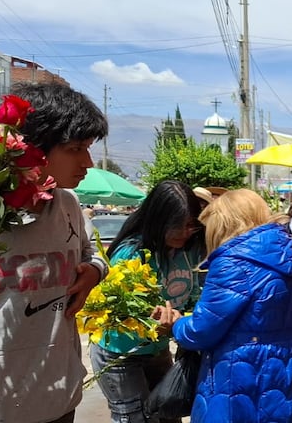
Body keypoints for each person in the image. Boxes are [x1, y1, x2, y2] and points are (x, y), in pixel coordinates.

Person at [0, 82, 109, 422]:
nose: (87, 161)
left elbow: (94, 254)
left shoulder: (68, 204)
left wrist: (94, 272)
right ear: (30, 149)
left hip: (59, 397)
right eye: (75, 148)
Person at [170, 189, 292, 422]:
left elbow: (201, 330)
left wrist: (176, 324)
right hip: (284, 366)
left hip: (239, 372)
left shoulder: (234, 262)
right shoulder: (284, 254)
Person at [89, 180, 206, 423]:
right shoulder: (132, 252)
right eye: (177, 226)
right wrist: (154, 316)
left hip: (156, 348)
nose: (185, 232)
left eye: (190, 225)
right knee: (135, 418)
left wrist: (189, 317)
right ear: (159, 221)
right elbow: (119, 307)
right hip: (120, 352)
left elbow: (193, 292)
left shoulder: (190, 248)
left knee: (167, 414)